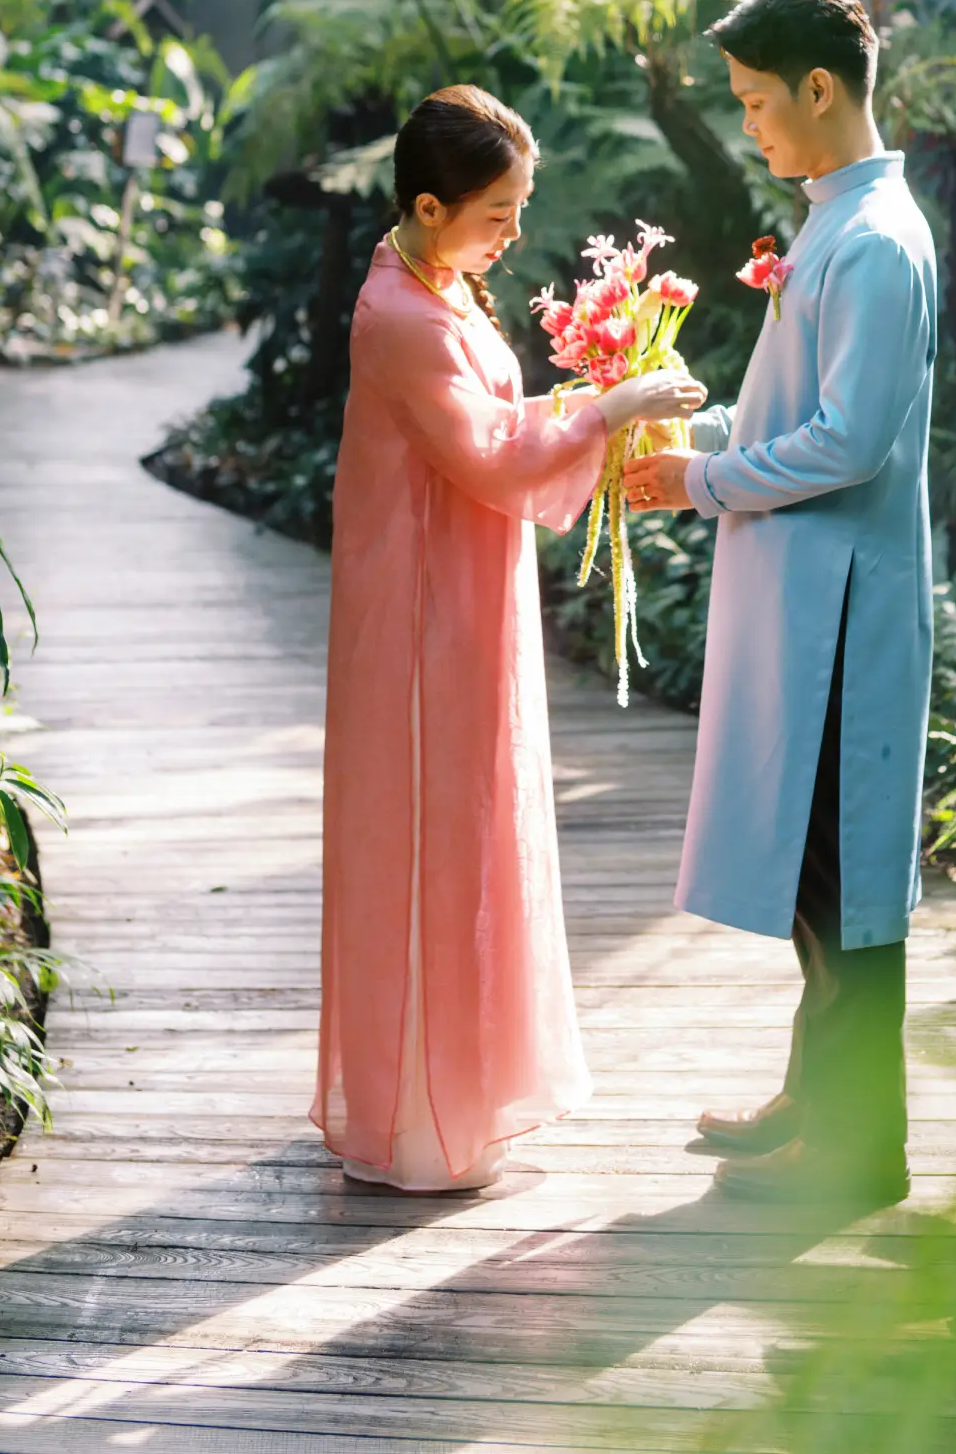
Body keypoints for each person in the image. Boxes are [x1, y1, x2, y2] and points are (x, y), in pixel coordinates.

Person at [314, 85, 705, 1192]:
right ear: (430, 205)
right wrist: (609, 405)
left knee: (466, 823)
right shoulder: (397, 312)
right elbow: (486, 451)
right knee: (431, 834)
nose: (515, 232)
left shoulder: (439, 280)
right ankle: (421, 1117)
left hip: (459, 586)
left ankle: (451, 1098)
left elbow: (491, 434)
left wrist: (595, 402)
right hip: (421, 613)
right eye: (499, 210)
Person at [624, 0, 937, 1209]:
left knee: (848, 881)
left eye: (756, 99)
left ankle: (865, 1146)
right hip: (814, 600)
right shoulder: (838, 217)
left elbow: (852, 440)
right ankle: (820, 1096)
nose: (746, 121)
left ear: (820, 87)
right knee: (822, 875)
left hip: (845, 615)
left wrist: (705, 481)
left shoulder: (870, 241)